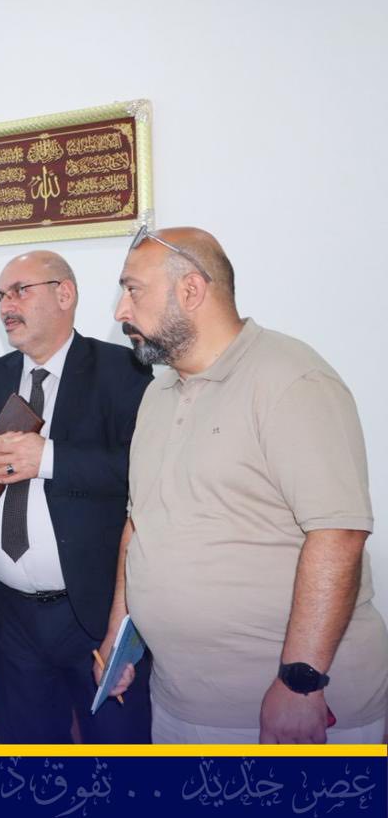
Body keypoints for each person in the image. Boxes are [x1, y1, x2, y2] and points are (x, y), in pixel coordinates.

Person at [102, 226, 388, 743]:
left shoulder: (291, 379)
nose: (121, 311)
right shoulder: (157, 396)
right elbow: (139, 525)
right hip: (180, 701)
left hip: (290, 709)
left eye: (133, 290)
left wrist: (300, 682)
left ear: (191, 290)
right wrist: (118, 639)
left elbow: (339, 533)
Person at [0, 250, 153, 743]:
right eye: (0, 296)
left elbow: (142, 472)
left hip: (92, 610)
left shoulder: (122, 371)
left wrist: (48, 458)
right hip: (8, 612)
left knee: (116, 751)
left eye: (20, 291)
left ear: (64, 294)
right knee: (27, 751)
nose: (6, 306)